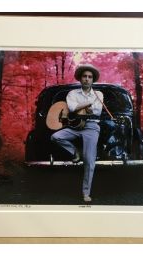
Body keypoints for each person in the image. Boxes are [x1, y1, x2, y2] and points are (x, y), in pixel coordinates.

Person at [51, 64, 103, 203]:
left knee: (89, 161)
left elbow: (97, 111)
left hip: (91, 127)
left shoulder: (99, 94)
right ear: (80, 79)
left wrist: (86, 108)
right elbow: (73, 108)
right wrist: (87, 105)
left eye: (90, 77)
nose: (87, 79)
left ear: (93, 80)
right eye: (84, 76)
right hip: (75, 126)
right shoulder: (72, 94)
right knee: (56, 137)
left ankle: (86, 193)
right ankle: (75, 152)